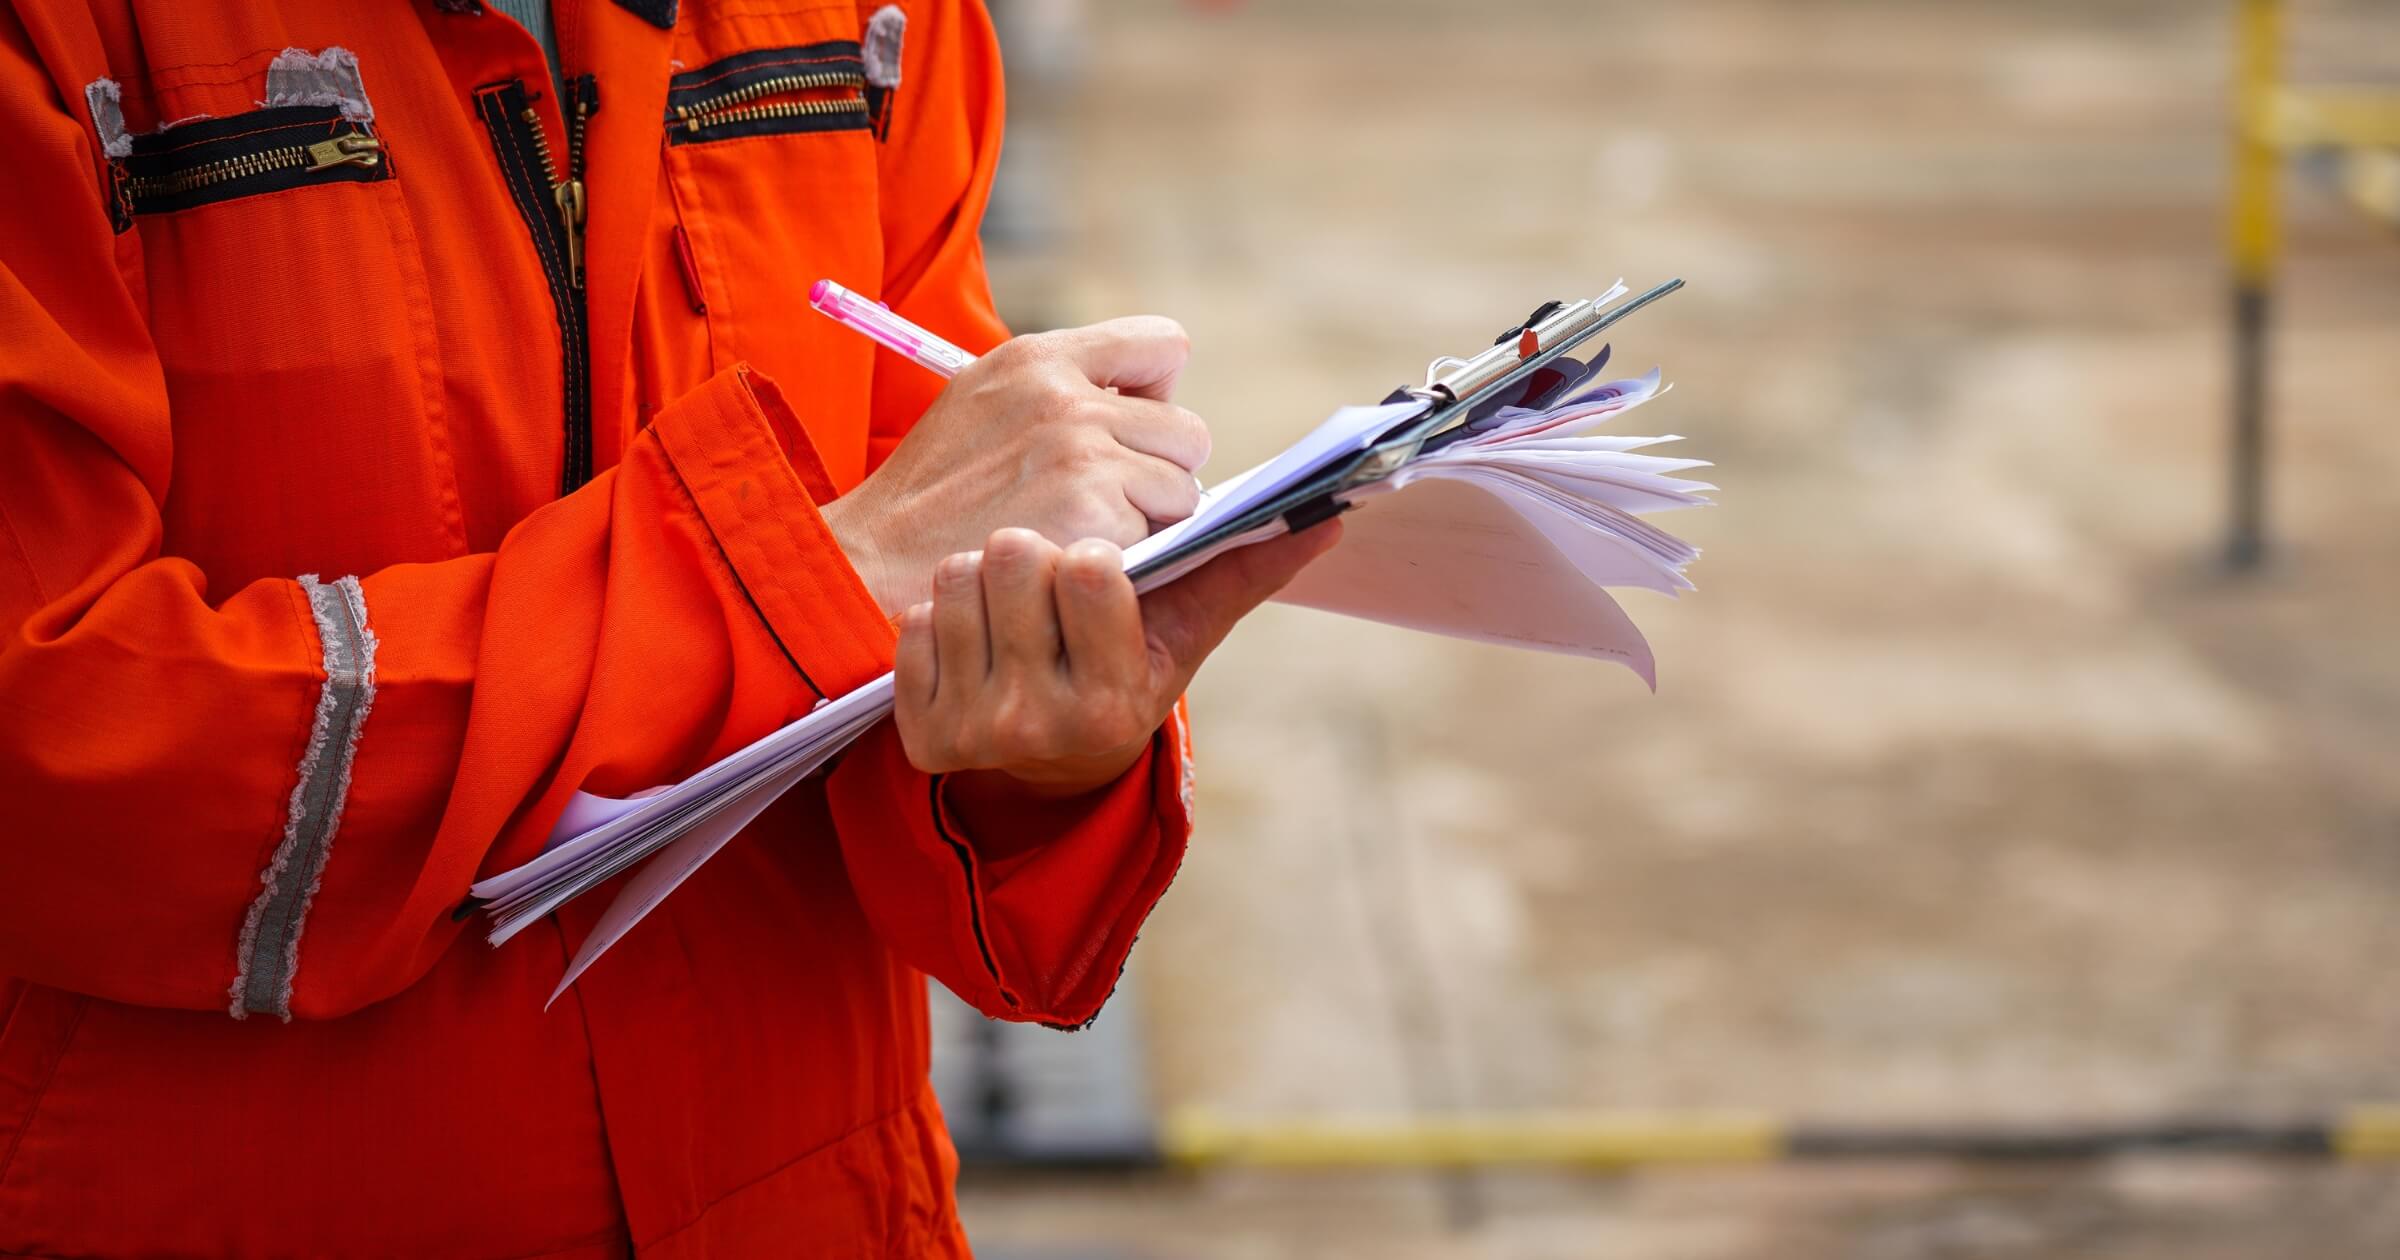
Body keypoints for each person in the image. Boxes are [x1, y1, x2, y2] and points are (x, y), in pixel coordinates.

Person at [0, 1, 1336, 1253]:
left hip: (809, 1196)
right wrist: (785, 584)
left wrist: (1038, 748)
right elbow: (47, 738)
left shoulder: (874, 18)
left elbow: (897, 617)